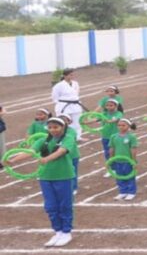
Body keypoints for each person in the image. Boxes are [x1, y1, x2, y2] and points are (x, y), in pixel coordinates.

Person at [7, 117, 77, 247]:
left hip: (63, 176)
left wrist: (47, 159)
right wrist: (12, 161)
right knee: (50, 206)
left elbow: (62, 151)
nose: (53, 130)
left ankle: (66, 232)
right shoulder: (42, 141)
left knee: (64, 205)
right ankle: (57, 231)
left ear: (62, 127)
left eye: (56, 127)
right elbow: (30, 152)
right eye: (50, 127)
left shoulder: (67, 138)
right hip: (45, 177)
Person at [107, 118, 138, 201]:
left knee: (130, 177)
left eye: (123, 125)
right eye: (119, 125)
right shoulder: (113, 136)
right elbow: (111, 148)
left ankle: (131, 192)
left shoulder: (131, 137)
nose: (121, 127)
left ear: (128, 126)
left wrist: (133, 161)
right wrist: (111, 159)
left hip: (128, 161)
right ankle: (122, 191)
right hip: (118, 161)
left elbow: (133, 149)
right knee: (119, 177)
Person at [50, 69, 85, 141]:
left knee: (77, 121)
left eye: (73, 75)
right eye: (70, 75)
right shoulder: (59, 85)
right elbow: (55, 96)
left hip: (75, 105)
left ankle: (77, 137)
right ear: (64, 76)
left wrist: (74, 101)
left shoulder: (75, 83)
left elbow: (76, 94)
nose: (72, 76)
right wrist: (61, 103)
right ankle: (63, 137)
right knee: (64, 122)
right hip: (64, 106)